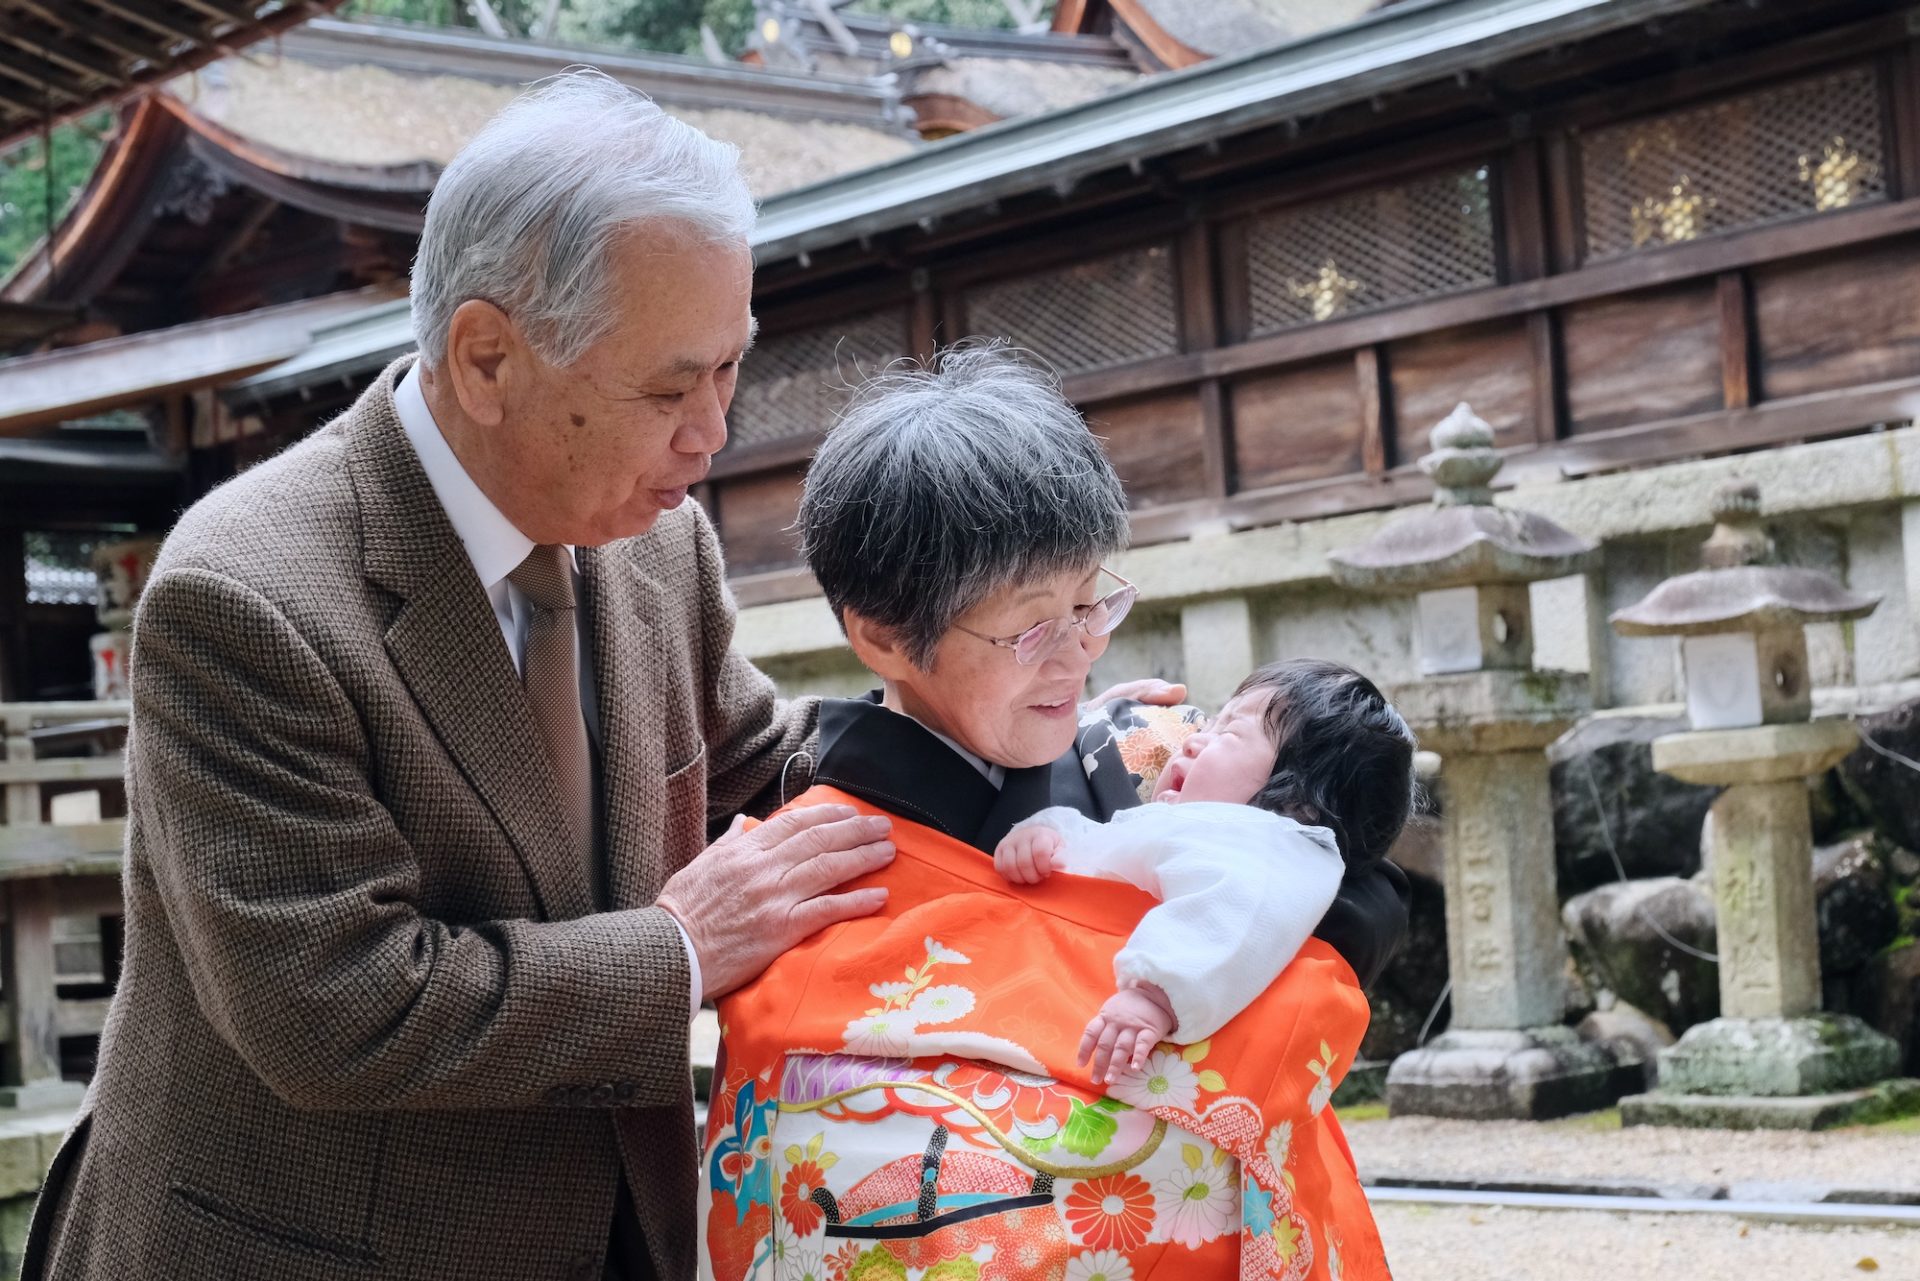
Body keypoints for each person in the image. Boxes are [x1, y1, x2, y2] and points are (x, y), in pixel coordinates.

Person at [23, 73, 901, 1281]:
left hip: (616, 1231)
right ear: (486, 358)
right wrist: (682, 950)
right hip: (304, 1248)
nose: (713, 431)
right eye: (667, 386)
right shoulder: (245, 598)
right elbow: (337, 1007)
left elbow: (758, 767)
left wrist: (998, 734)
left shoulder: (656, 541)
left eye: (729, 370)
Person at [700, 348, 1401, 1281]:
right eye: (1032, 625)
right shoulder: (822, 846)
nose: (1076, 656)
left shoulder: (1161, 757)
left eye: (1090, 602)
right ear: (882, 631)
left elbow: (1346, 892)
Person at [994, 659, 1419, 1084]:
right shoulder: (1191, 825)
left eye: (1229, 733)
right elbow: (1109, 842)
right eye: (1210, 725)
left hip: (1123, 1035)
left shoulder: (1272, 847)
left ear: (1299, 804)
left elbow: (1232, 912)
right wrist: (1048, 833)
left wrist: (1155, 999)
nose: (1193, 740)